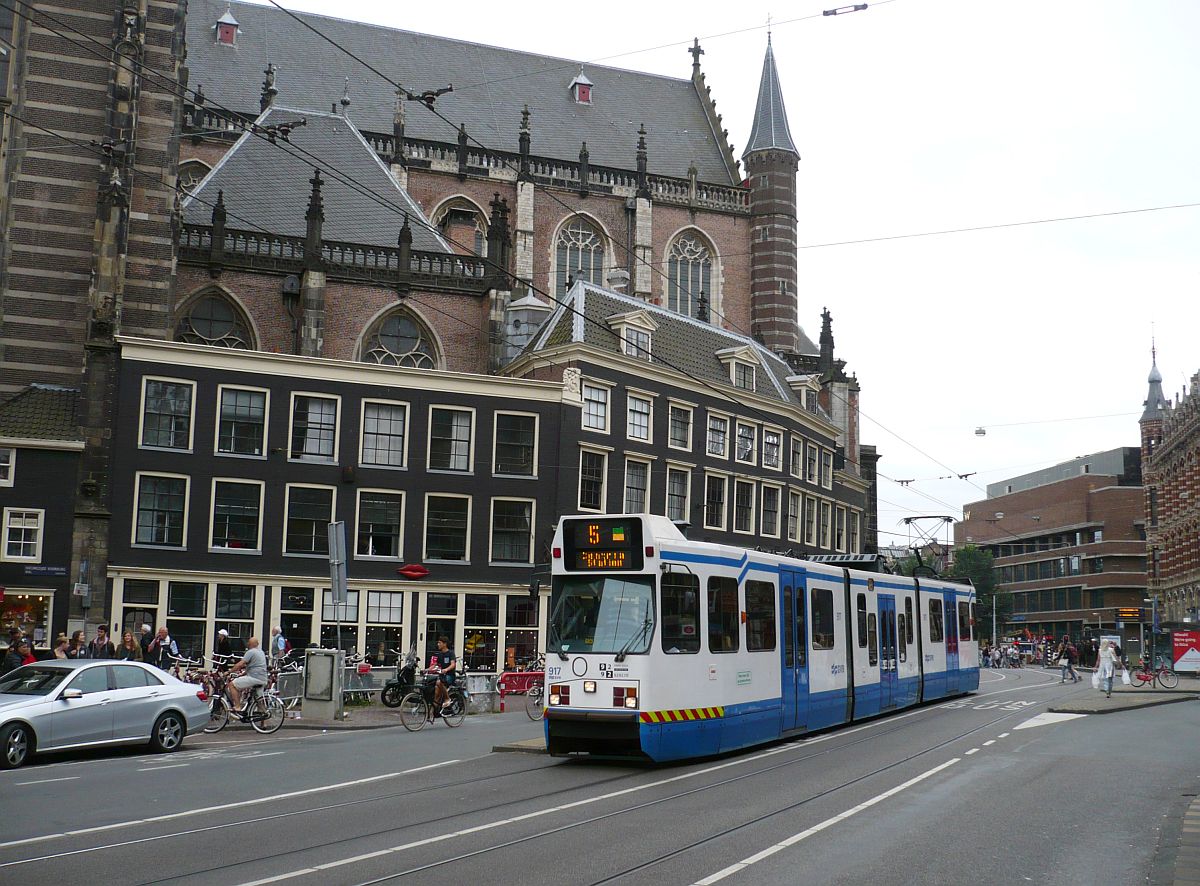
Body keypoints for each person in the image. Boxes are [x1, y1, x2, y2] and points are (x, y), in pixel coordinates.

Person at [226, 637, 268, 711]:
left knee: (232, 685)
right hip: (263, 679)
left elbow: (240, 664)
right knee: (259, 700)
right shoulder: (261, 652)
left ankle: (237, 706)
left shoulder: (250, 652)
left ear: (249, 644)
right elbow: (254, 666)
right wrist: (242, 674)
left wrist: (229, 671)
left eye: (248, 643)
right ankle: (264, 718)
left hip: (254, 678)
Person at [428, 635, 457, 713]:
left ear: (445, 644)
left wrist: (446, 669)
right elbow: (435, 665)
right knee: (436, 693)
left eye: (439, 643)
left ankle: (447, 699)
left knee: (439, 682)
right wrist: (426, 670)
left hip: (450, 676)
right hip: (442, 676)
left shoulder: (451, 653)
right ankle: (433, 713)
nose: (438, 644)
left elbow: (453, 664)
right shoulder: (440, 654)